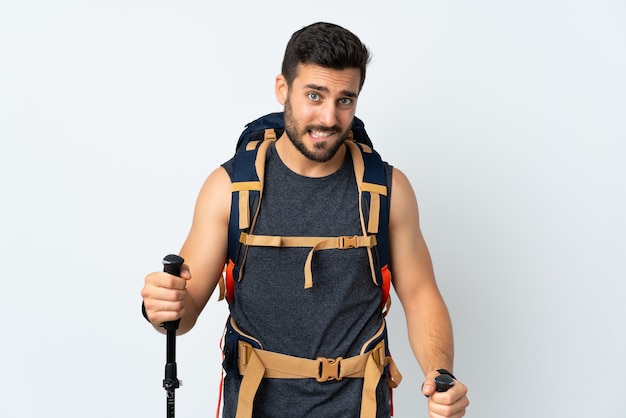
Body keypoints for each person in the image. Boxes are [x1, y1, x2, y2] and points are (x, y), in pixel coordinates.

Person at [141, 22, 469, 418]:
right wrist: (162, 307)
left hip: (360, 405)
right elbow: (184, 311)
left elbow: (420, 296)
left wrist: (439, 371)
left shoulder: (387, 189)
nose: (329, 117)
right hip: (254, 406)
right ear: (283, 89)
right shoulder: (229, 188)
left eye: (345, 100)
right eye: (314, 95)